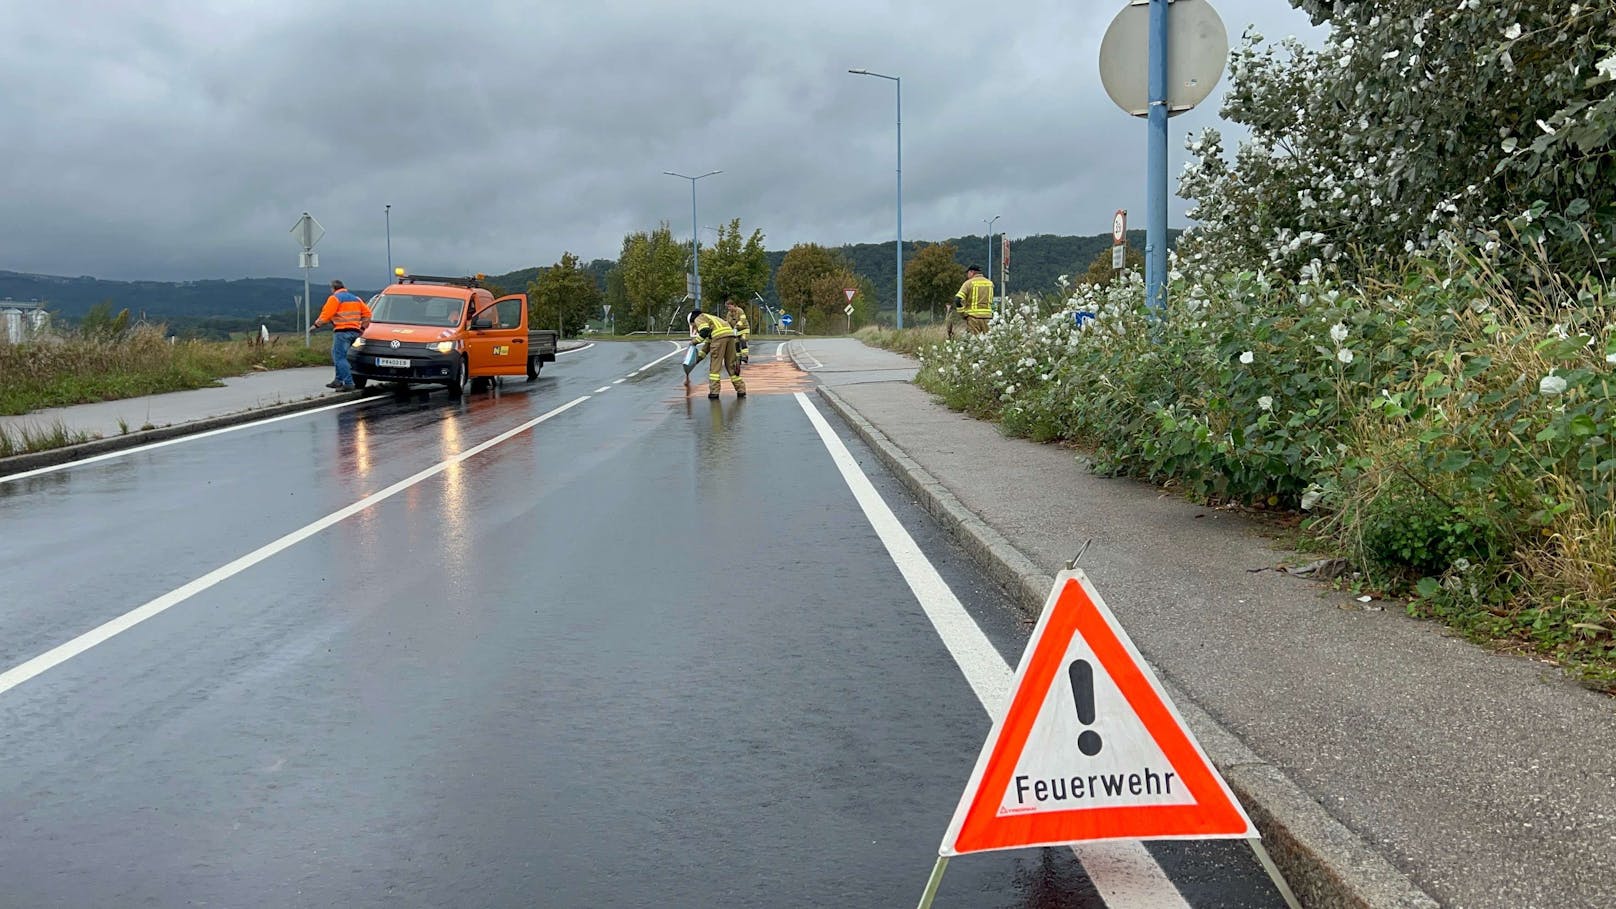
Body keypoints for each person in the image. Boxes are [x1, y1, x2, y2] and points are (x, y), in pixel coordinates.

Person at [310, 279, 372, 390]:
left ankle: (348, 383)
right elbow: (367, 314)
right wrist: (362, 328)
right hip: (356, 332)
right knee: (341, 355)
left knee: (339, 358)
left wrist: (316, 325)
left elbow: (326, 314)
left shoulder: (335, 298)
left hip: (342, 332)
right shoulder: (356, 299)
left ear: (333, 288)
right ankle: (338, 380)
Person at [689, 306, 746, 399]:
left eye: (694, 326)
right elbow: (706, 346)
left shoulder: (699, 318)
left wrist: (694, 342)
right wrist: (697, 359)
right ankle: (741, 389)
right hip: (730, 336)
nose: (695, 328)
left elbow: (704, 331)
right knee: (731, 365)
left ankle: (714, 392)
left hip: (719, 339)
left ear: (692, 321)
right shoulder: (712, 318)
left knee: (715, 368)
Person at [947, 265, 995, 338]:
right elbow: (992, 301)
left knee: (975, 342)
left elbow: (958, 299)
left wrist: (962, 313)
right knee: (988, 342)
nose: (967, 275)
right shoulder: (990, 283)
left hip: (973, 318)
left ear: (972, 272)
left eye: (968, 273)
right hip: (988, 318)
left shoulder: (968, 283)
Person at [724, 298, 751, 364]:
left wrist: (737, 326)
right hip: (736, 331)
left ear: (733, 305)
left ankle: (745, 357)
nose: (729, 308)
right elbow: (728, 323)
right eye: (727, 307)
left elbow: (743, 319)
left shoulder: (740, 310)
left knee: (743, 341)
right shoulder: (729, 314)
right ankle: (738, 358)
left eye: (729, 306)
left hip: (744, 329)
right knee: (736, 344)